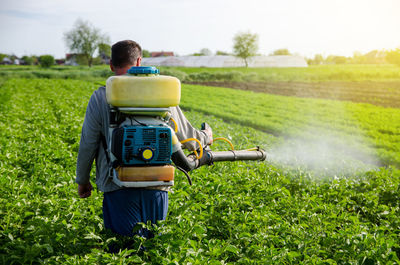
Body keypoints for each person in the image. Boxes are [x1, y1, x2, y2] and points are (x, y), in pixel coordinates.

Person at [75, 40, 212, 240]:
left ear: (111, 65)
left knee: (123, 249)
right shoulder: (161, 94)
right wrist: (206, 137)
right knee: (154, 246)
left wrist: (83, 180)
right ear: (139, 62)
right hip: (157, 183)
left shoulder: (100, 97)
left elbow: (88, 143)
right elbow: (186, 136)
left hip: (117, 184)